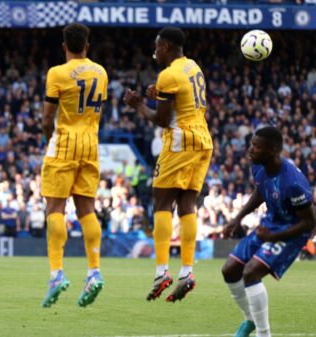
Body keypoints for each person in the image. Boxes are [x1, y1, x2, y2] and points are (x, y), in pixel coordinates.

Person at [123, 27, 213, 302]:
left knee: (161, 204)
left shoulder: (168, 74)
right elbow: (181, 100)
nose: (155, 51)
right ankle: (187, 270)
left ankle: (162, 270)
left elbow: (162, 119)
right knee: (187, 205)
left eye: (157, 46)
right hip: (202, 140)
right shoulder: (193, 67)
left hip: (179, 141)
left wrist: (139, 105)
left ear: (166, 47)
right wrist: (158, 94)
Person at [221, 127, 315, 337]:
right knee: (229, 270)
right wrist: (238, 218)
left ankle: (264, 334)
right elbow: (260, 190)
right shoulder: (259, 167)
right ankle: (250, 319)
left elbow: (309, 223)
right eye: (252, 145)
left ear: (272, 150)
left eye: (256, 146)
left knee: (251, 272)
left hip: (293, 230)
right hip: (271, 223)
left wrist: (273, 237)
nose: (250, 150)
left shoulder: (294, 183)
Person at [40, 23, 107, 308]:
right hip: (91, 143)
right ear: (87, 46)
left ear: (64, 45)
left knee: (55, 209)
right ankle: (94, 272)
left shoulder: (57, 73)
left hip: (65, 142)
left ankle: (57, 274)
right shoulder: (101, 72)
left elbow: (46, 119)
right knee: (86, 210)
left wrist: (49, 140)